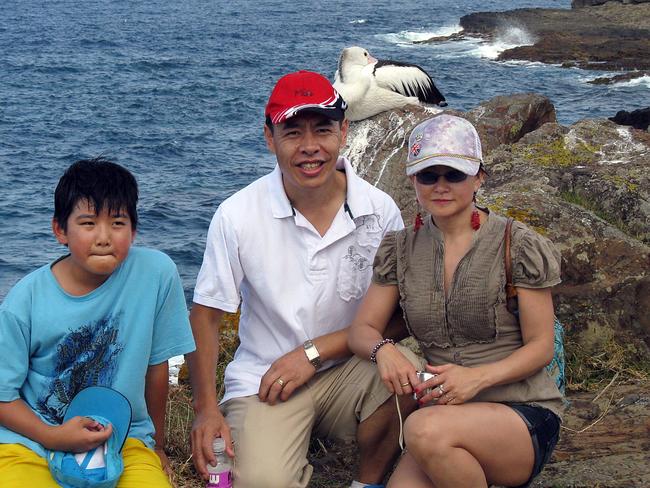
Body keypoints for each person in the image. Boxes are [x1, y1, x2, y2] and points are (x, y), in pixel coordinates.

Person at [188, 70, 420, 488]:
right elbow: (206, 315)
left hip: (352, 368)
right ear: (269, 137)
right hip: (266, 377)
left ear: (344, 132)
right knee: (260, 481)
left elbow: (401, 314)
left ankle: (366, 482)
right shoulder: (238, 215)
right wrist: (206, 409)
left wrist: (312, 353)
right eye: (292, 132)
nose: (310, 147)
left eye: (323, 130)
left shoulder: (379, 210)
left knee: (407, 376)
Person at [348, 114, 565, 488]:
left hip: (520, 413)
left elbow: (542, 346)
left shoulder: (518, 244)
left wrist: (476, 378)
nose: (441, 186)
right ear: (413, 180)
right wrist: (384, 350)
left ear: (479, 176)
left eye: (455, 174)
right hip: (443, 419)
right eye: (429, 176)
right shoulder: (400, 250)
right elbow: (362, 330)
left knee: (421, 428)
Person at [0, 158, 196, 487]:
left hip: (123, 440)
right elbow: (4, 397)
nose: (104, 237)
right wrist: (55, 436)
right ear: (60, 229)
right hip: (31, 443)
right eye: (88, 223)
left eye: (117, 223)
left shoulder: (156, 274)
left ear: (134, 229)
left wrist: (158, 446)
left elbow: (156, 367)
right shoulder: (25, 299)